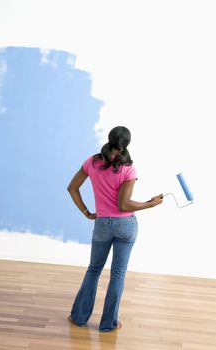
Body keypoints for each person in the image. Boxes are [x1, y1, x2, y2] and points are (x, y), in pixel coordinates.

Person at [67, 126, 163, 332]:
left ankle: (79, 317)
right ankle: (108, 324)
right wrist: (151, 203)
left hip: (102, 224)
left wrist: (86, 212)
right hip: (125, 226)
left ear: (110, 139)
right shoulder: (129, 170)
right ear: (126, 145)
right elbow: (124, 205)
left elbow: (72, 187)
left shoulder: (92, 162)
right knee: (118, 274)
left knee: (94, 270)